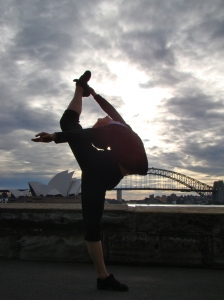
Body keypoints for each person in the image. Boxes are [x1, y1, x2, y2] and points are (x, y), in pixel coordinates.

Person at [32, 71, 148, 292]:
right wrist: (91, 92)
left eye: (98, 122)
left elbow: (97, 124)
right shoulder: (118, 129)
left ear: (105, 128)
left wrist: (56, 136)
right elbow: (104, 116)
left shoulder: (116, 129)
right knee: (91, 223)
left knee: (68, 125)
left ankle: (103, 277)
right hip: (102, 168)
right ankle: (103, 278)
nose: (98, 118)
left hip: (102, 169)